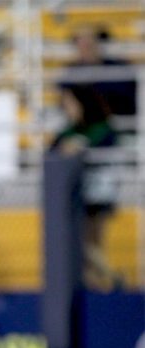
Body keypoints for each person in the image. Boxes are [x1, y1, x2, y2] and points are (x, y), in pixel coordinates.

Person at [50, 84, 122, 292]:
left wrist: (80, 148)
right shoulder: (69, 130)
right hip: (74, 192)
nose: (67, 107)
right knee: (80, 244)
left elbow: (105, 147)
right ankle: (99, 285)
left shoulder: (101, 127)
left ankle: (108, 280)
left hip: (98, 190)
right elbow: (53, 149)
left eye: (70, 102)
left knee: (91, 241)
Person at [60, 25, 136, 119]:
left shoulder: (117, 66)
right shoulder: (72, 70)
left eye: (90, 41)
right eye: (81, 41)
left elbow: (127, 93)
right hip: (88, 123)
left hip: (119, 119)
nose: (86, 45)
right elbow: (66, 95)